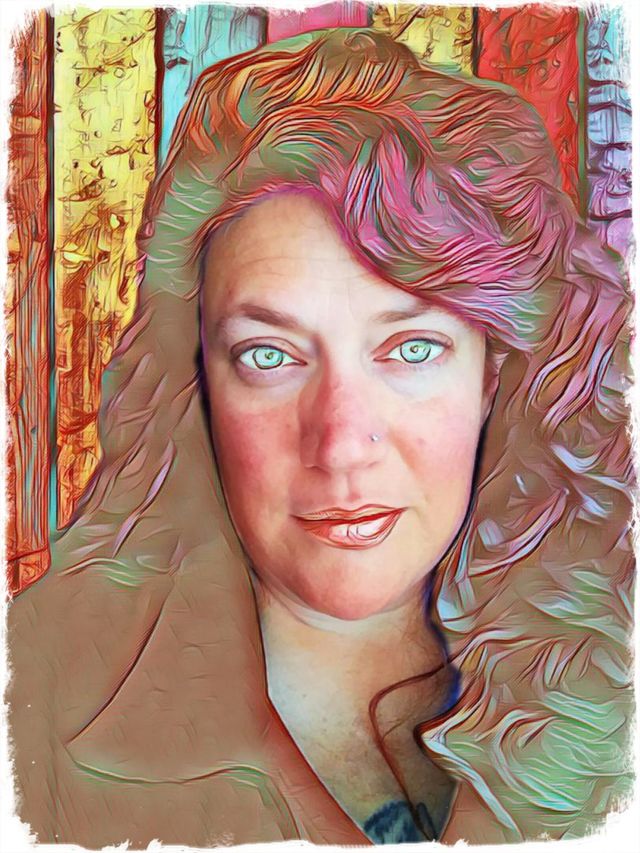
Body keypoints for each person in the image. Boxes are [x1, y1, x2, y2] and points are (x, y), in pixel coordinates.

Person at [7, 26, 634, 848]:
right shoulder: (34, 694)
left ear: (495, 373)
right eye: (269, 356)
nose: (340, 445)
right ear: (197, 377)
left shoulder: (615, 659)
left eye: (412, 349)